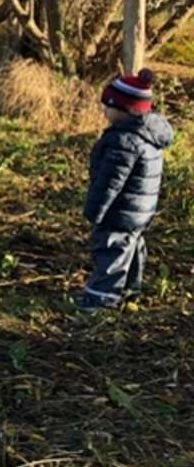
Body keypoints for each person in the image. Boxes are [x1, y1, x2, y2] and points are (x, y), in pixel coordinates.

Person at [79, 68, 174, 313]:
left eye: (108, 106)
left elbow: (110, 183)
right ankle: (131, 291)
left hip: (120, 210)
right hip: (140, 211)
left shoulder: (124, 142)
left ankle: (99, 301)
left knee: (110, 252)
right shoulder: (150, 135)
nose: (104, 111)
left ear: (124, 110)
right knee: (131, 248)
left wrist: (94, 211)